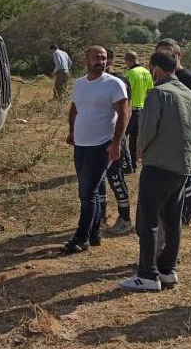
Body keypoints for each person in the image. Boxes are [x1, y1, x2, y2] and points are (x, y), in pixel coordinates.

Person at [119, 49, 191, 292]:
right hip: (183, 165)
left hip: (159, 163)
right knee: (172, 219)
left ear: (155, 69)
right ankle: (167, 270)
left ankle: (147, 274)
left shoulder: (158, 93)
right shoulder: (189, 94)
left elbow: (146, 130)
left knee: (149, 219)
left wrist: (139, 151)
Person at [64, 46, 128, 253]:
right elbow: (75, 109)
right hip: (81, 144)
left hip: (101, 145)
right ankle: (95, 235)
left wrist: (116, 143)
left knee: (88, 192)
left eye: (103, 58)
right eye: (96, 57)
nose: (100, 61)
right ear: (86, 60)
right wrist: (72, 131)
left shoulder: (114, 84)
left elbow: (124, 115)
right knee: (87, 190)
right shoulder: (80, 84)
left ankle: (81, 238)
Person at [155, 38, 191, 225]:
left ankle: (188, 214)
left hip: (188, 138)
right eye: (161, 54)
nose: (165, 57)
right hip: (169, 140)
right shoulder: (160, 78)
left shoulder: (187, 77)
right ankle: (180, 213)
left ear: (178, 54)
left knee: (187, 177)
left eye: (169, 53)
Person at [102, 52, 134, 235]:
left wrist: (120, 138)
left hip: (114, 138)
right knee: (99, 180)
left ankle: (125, 218)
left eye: (103, 58)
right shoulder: (87, 81)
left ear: (110, 61)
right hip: (95, 140)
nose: (99, 62)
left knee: (115, 177)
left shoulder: (119, 81)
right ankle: (100, 217)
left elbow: (125, 111)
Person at [124, 50, 154, 171]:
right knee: (135, 139)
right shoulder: (146, 72)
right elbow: (150, 90)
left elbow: (126, 91)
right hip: (142, 109)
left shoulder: (131, 73)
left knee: (122, 137)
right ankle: (133, 163)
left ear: (127, 60)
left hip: (131, 109)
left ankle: (125, 164)